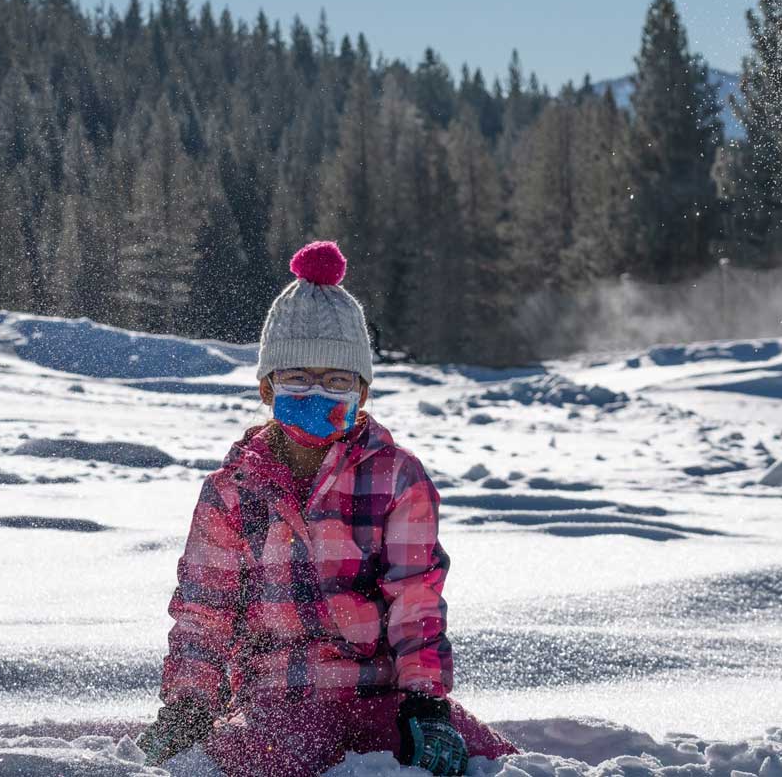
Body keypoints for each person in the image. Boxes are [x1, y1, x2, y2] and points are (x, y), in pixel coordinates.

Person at [136, 241, 517, 777]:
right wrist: (190, 705)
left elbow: (415, 598)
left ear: (362, 392)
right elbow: (205, 610)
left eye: (337, 381)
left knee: (485, 762)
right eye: (298, 378)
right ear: (267, 388)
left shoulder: (396, 477)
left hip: (383, 698)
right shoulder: (231, 491)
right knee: (237, 764)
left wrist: (425, 701)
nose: (317, 393)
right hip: (277, 705)